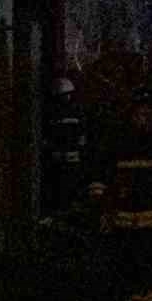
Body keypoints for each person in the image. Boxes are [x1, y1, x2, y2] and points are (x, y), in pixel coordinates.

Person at [88, 87, 152, 301]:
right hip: (123, 218)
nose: (145, 119)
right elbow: (102, 176)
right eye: (141, 113)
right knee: (125, 261)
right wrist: (103, 209)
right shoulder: (117, 141)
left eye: (151, 113)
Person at [44, 77, 88, 216]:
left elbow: (82, 133)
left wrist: (80, 149)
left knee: (72, 183)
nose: (67, 97)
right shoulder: (52, 113)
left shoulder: (77, 111)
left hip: (72, 156)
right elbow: (49, 134)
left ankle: (70, 208)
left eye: (68, 94)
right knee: (58, 184)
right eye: (63, 95)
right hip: (58, 156)